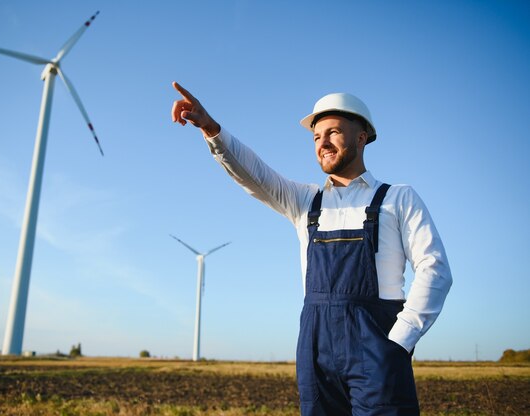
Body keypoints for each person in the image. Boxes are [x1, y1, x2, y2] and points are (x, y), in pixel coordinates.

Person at [171, 81, 452, 415]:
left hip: (378, 344)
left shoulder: (398, 198)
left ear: (362, 137)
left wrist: (399, 342)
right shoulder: (305, 202)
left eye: (333, 132)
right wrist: (210, 128)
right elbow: (253, 174)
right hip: (316, 346)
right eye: (317, 137)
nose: (323, 143)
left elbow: (435, 270)